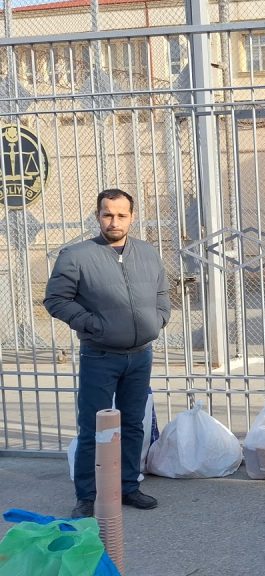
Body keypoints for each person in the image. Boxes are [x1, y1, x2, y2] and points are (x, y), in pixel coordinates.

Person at [44, 188, 170, 519]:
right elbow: (56, 299)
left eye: (121, 215)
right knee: (94, 426)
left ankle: (128, 486)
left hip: (140, 354)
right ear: (98, 215)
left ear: (132, 216)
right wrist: (92, 325)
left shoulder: (147, 253)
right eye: (107, 214)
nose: (114, 221)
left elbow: (161, 292)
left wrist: (159, 319)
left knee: (132, 425)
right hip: (100, 355)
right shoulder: (76, 256)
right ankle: (87, 495)